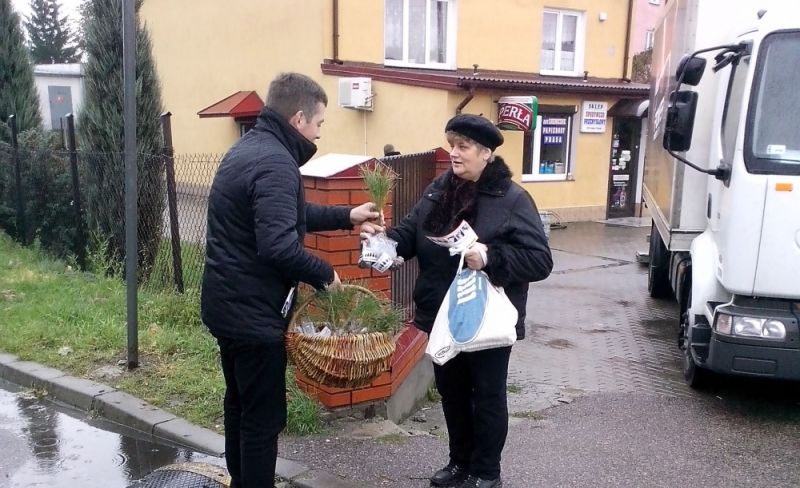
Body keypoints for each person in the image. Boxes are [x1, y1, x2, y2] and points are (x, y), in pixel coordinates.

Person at [200, 72, 380, 488]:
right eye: (319, 123)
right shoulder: (277, 162)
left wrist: (345, 216)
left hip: (226, 306)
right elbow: (278, 246)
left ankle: (242, 480)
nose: (319, 133)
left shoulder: (249, 148)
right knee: (263, 418)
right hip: (253, 314)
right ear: (299, 118)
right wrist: (326, 273)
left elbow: (282, 216)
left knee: (240, 403)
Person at [363, 114, 552, 488]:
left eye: (463, 146)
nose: (454, 153)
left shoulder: (512, 199)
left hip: (486, 320)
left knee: (487, 397)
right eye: (452, 144)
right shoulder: (439, 189)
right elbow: (410, 232)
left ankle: (485, 472)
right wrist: (383, 241)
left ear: (486, 153)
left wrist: (492, 258)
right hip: (443, 316)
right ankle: (459, 463)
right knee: (451, 393)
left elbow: (540, 260)